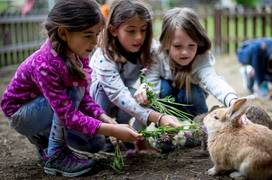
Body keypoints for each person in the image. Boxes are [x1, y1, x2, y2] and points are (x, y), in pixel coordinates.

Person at [0, 0, 142, 177]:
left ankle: (44, 142)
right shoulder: (45, 65)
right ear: (64, 33)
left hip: (45, 110)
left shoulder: (76, 54)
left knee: (95, 144)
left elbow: (85, 98)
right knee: (71, 91)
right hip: (21, 115)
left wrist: (107, 121)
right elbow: (67, 114)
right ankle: (56, 156)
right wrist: (113, 130)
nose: (95, 42)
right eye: (88, 35)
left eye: (97, 34)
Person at [89, 0, 181, 134]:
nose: (139, 37)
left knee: (145, 95)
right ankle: (104, 133)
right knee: (105, 90)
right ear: (114, 30)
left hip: (124, 97)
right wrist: (158, 118)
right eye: (131, 31)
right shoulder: (104, 56)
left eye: (143, 30)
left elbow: (154, 77)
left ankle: (135, 137)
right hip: (97, 103)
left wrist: (146, 86)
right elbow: (117, 94)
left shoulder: (150, 49)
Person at [136, 7, 238, 117]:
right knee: (164, 88)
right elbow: (151, 86)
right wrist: (146, 93)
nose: (185, 52)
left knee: (192, 92)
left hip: (192, 102)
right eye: (177, 46)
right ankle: (170, 124)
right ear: (165, 43)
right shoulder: (157, 55)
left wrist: (232, 100)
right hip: (167, 104)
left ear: (198, 43)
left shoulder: (200, 57)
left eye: (191, 45)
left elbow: (213, 80)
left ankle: (198, 124)